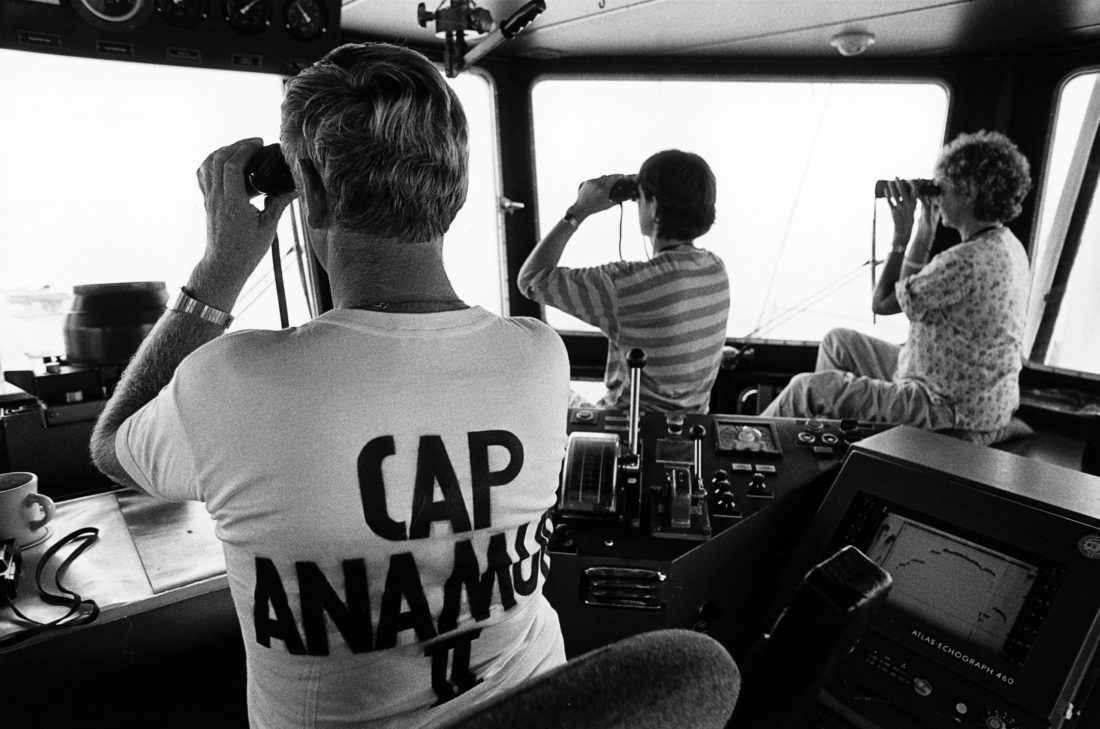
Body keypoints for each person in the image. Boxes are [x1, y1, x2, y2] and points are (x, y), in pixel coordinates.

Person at [90, 42, 570, 729]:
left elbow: (112, 444)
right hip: (542, 709)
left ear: (309, 193)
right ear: (457, 190)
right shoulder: (540, 356)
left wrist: (221, 266)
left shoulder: (233, 380)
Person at [761, 130, 1032, 435]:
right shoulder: (1008, 245)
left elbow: (883, 302)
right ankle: (830, 443)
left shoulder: (965, 261)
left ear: (968, 192)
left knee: (806, 390)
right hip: (967, 390)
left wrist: (902, 235)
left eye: (942, 188)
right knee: (838, 343)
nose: (938, 196)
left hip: (944, 404)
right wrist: (924, 228)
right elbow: (909, 290)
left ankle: (743, 446)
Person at [518, 150, 730, 414]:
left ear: (654, 207)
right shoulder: (715, 270)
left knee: (543, 386)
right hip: (689, 427)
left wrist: (579, 211)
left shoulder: (624, 284)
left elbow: (531, 278)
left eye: (640, 198)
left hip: (626, 428)